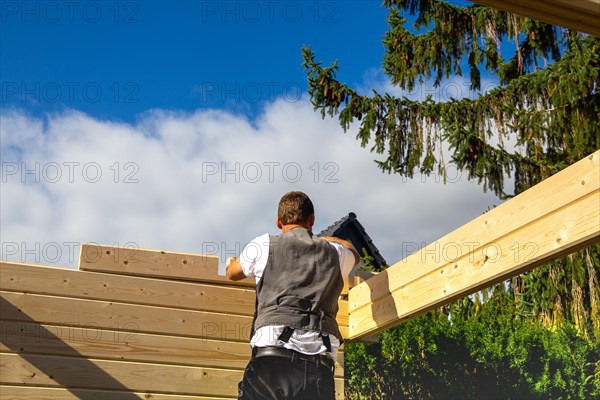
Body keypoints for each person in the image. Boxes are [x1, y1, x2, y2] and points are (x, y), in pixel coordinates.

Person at [226, 191, 360, 400]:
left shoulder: (264, 245)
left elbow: (232, 273)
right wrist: (327, 238)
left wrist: (231, 261)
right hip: (318, 366)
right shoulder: (334, 252)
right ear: (312, 219)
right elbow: (354, 252)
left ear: (279, 222)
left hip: (270, 363)